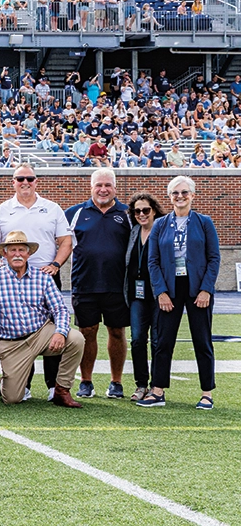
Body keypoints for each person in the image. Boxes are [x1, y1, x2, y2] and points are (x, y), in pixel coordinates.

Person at [0, 164, 71, 398]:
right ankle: (25, 383)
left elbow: (66, 241)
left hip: (45, 278)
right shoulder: (2, 210)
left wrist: (56, 265)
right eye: (20, 178)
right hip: (10, 279)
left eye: (29, 178)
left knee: (54, 332)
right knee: (22, 330)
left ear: (36, 181)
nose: (25, 182)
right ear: (13, 182)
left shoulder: (51, 208)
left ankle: (54, 385)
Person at [0, 231, 85, 408]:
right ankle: (5, 383)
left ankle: (62, 390)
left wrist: (60, 332)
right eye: (12, 250)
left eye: (21, 250)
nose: (17, 254)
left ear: (29, 253)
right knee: (12, 398)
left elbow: (60, 308)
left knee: (76, 339)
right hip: (13, 343)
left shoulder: (43, 277)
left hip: (42, 333)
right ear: (4, 254)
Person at [140, 176, 218, 410]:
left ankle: (207, 393)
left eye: (184, 192)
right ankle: (157, 391)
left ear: (192, 195)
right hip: (170, 288)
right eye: (175, 193)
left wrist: (206, 289)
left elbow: (214, 258)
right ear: (169, 196)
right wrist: (160, 292)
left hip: (197, 289)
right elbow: (152, 261)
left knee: (202, 340)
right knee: (163, 341)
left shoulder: (204, 222)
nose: (180, 196)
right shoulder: (161, 224)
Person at [64, 168, 132, 400]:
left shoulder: (128, 213)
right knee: (87, 333)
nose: (103, 189)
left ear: (115, 187)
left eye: (108, 185)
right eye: (98, 185)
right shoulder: (74, 213)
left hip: (117, 286)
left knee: (116, 331)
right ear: (91, 187)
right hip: (85, 284)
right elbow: (61, 244)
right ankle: (86, 381)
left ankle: (116, 382)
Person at [124, 192, 163, 402]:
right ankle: (141, 384)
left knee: (157, 341)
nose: (141, 214)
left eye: (145, 210)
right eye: (137, 211)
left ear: (154, 210)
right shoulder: (133, 232)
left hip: (159, 294)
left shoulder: (163, 230)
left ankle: (157, 386)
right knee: (138, 340)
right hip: (137, 295)